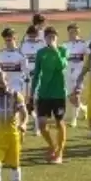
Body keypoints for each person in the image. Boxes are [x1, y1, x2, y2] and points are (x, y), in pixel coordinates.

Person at [31, 26, 70, 163]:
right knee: (42, 124)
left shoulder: (63, 50)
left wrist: (55, 51)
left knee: (59, 122)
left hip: (58, 93)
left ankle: (60, 152)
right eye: (49, 37)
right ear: (45, 38)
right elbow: (36, 74)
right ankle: (52, 146)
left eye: (54, 37)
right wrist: (32, 93)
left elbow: (61, 66)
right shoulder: (41, 53)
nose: (51, 39)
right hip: (44, 93)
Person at [18, 24, 45, 136]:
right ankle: (26, 122)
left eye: (35, 35)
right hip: (26, 77)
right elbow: (21, 60)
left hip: (38, 76)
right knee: (24, 101)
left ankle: (37, 127)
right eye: (31, 35)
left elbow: (44, 60)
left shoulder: (41, 45)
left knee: (36, 101)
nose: (33, 38)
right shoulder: (23, 45)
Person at [0, 26, 30, 106]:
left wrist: (27, 93)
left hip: (17, 88)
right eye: (6, 40)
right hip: (3, 89)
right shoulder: (0, 54)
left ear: (15, 39)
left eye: (10, 40)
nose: (8, 43)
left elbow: (27, 75)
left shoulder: (21, 55)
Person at [63, 23, 89, 127]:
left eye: (76, 31)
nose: (74, 34)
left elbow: (89, 56)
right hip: (67, 73)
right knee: (70, 97)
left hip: (79, 73)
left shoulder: (83, 44)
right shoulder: (65, 45)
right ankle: (84, 108)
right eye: (72, 31)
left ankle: (74, 120)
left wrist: (86, 69)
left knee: (76, 95)